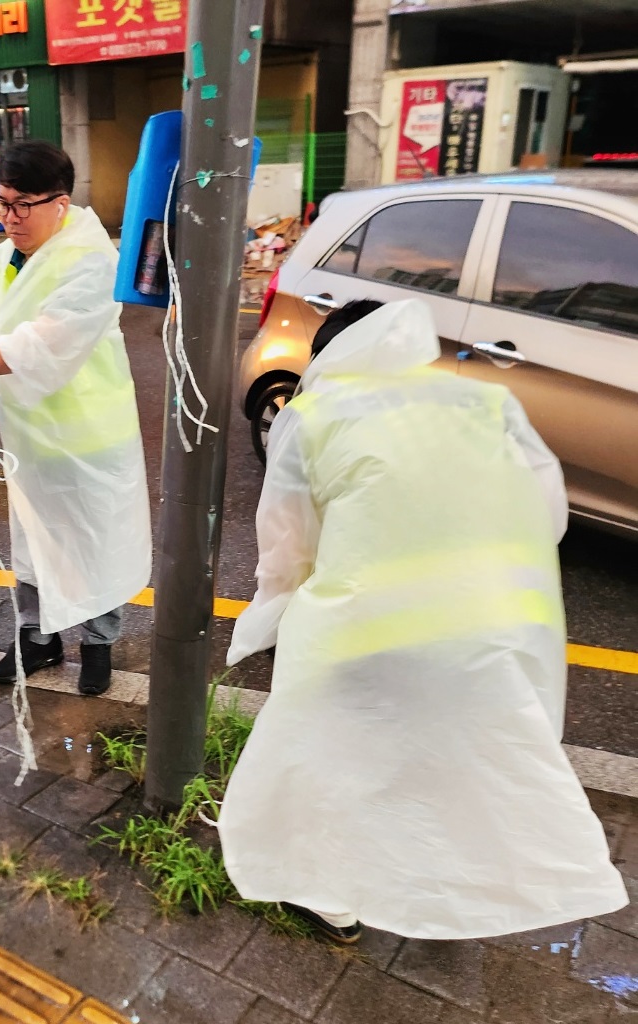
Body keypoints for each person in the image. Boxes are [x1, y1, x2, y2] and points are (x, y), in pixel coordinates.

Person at [218, 298, 627, 943]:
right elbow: (547, 516)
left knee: (338, 757)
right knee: (449, 763)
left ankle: (334, 905)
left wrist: (271, 624)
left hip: (369, 634)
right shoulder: (484, 405)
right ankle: (447, 898)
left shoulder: (312, 416)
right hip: (497, 631)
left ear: (327, 356)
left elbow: (288, 548)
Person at [0, 141, 151, 696]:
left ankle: (98, 644)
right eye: (0, 202)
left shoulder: (93, 261)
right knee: (31, 539)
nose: (8, 217)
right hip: (31, 433)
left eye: (22, 204)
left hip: (92, 432)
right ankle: (38, 638)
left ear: (60, 203)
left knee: (95, 539)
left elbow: (46, 342)